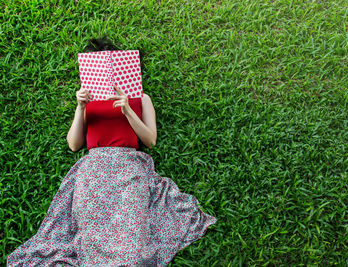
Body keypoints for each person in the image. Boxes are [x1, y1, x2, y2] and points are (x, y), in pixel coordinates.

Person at [7, 37, 217, 266]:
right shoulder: (90, 101)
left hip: (129, 168)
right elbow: (74, 144)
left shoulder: (141, 98)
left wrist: (127, 110)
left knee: (135, 245)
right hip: (94, 170)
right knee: (89, 241)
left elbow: (151, 140)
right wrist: (80, 107)